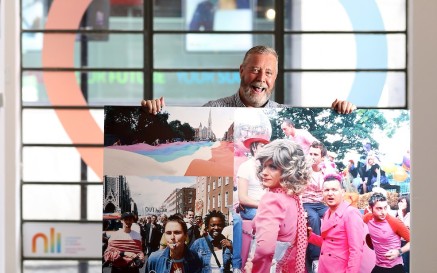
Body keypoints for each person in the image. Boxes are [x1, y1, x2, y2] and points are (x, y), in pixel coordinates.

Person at [141, 45, 356, 114]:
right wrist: (155, 115)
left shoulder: (284, 117)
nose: (261, 78)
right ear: (242, 71)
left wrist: (343, 112)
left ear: (275, 78)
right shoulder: (212, 110)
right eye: (255, 70)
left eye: (269, 73)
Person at [244, 139, 311, 273]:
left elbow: (265, 248)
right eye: (264, 166)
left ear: (288, 171)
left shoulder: (272, 199)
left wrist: (253, 267)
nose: (264, 172)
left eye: (273, 167)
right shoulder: (293, 199)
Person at [307, 173, 364, 273]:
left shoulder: (350, 213)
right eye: (327, 190)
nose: (330, 193)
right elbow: (328, 243)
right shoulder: (326, 213)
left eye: (334, 190)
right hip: (324, 267)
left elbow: (356, 251)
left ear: (342, 192)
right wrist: (310, 236)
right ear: (322, 193)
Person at [232, 135, 269, 272]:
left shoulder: (269, 167)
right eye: (262, 146)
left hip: (268, 206)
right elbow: (243, 198)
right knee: (265, 220)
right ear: (254, 148)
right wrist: (264, 205)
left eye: (267, 146)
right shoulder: (245, 167)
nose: (265, 149)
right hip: (251, 207)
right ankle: (252, 262)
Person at [364, 193, 410, 273]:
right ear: (370, 208)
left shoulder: (394, 222)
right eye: (379, 208)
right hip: (379, 266)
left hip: (395, 267)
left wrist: (399, 251)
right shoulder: (368, 218)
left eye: (385, 208)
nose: (383, 212)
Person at [302, 141, 328, 273]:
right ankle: (315, 259)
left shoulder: (326, 172)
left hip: (321, 204)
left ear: (322, 157)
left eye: (315, 154)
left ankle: (332, 249)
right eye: (310, 153)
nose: (312, 156)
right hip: (307, 203)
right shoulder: (304, 170)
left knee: (334, 215)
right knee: (313, 218)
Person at [396, 195, 410, 273]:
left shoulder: (410, 215)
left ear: (408, 203)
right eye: (399, 202)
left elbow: (404, 229)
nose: (400, 204)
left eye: (402, 202)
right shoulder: (398, 214)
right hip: (399, 242)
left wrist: (400, 215)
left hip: (407, 243)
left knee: (406, 265)